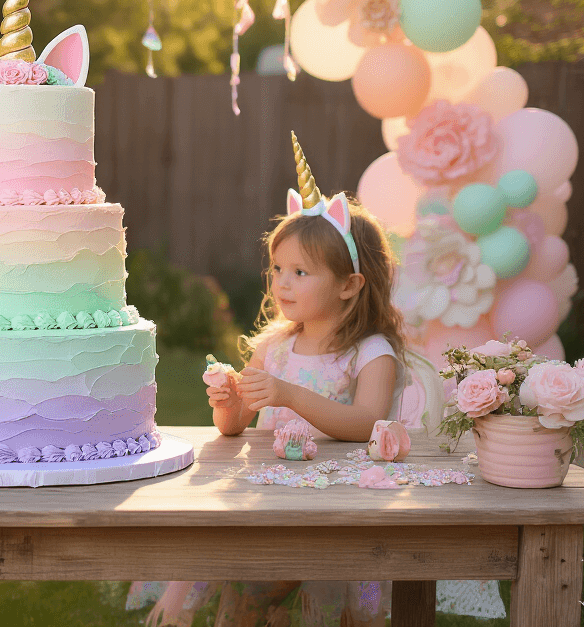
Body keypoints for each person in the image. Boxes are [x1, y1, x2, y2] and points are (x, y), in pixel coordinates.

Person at [146, 133, 407, 627]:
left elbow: (368, 423)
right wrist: (227, 400)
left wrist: (289, 394)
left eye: (301, 272)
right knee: (245, 582)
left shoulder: (371, 353)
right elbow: (233, 427)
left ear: (350, 285)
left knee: (319, 599)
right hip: (268, 497)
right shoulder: (275, 347)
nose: (281, 283)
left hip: (337, 507)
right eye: (277, 268)